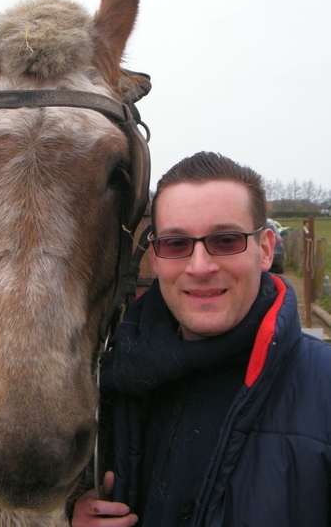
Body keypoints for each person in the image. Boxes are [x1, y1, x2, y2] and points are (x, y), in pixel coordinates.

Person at [72, 151, 331, 526]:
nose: (200, 267)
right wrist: (78, 514)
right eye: (176, 244)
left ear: (265, 250)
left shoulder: (324, 388)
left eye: (226, 240)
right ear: (155, 259)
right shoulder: (110, 379)